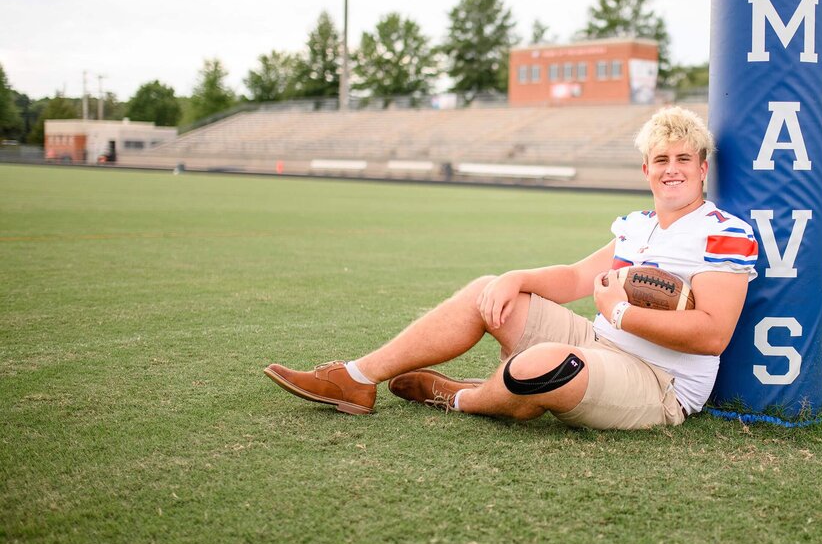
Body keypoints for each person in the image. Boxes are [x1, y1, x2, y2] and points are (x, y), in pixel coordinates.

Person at [264, 107, 759, 430]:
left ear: (701, 168)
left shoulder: (724, 232)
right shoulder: (637, 225)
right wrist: (514, 279)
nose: (671, 169)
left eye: (683, 159)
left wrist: (622, 313)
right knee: (490, 293)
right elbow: (573, 278)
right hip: (597, 342)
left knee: (541, 367)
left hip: (658, 380)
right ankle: (355, 377)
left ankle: (462, 397)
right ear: (645, 170)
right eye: (660, 159)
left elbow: (713, 334)